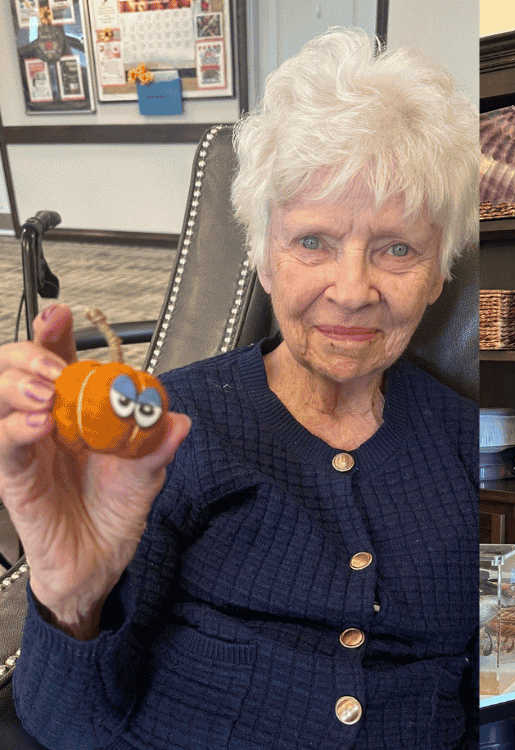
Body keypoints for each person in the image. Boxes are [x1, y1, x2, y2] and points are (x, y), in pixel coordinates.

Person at [2, 28, 478, 749]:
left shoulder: (471, 446)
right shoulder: (165, 435)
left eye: (397, 249)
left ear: (439, 272)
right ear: (263, 257)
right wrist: (70, 599)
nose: (352, 290)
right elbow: (65, 729)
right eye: (312, 242)